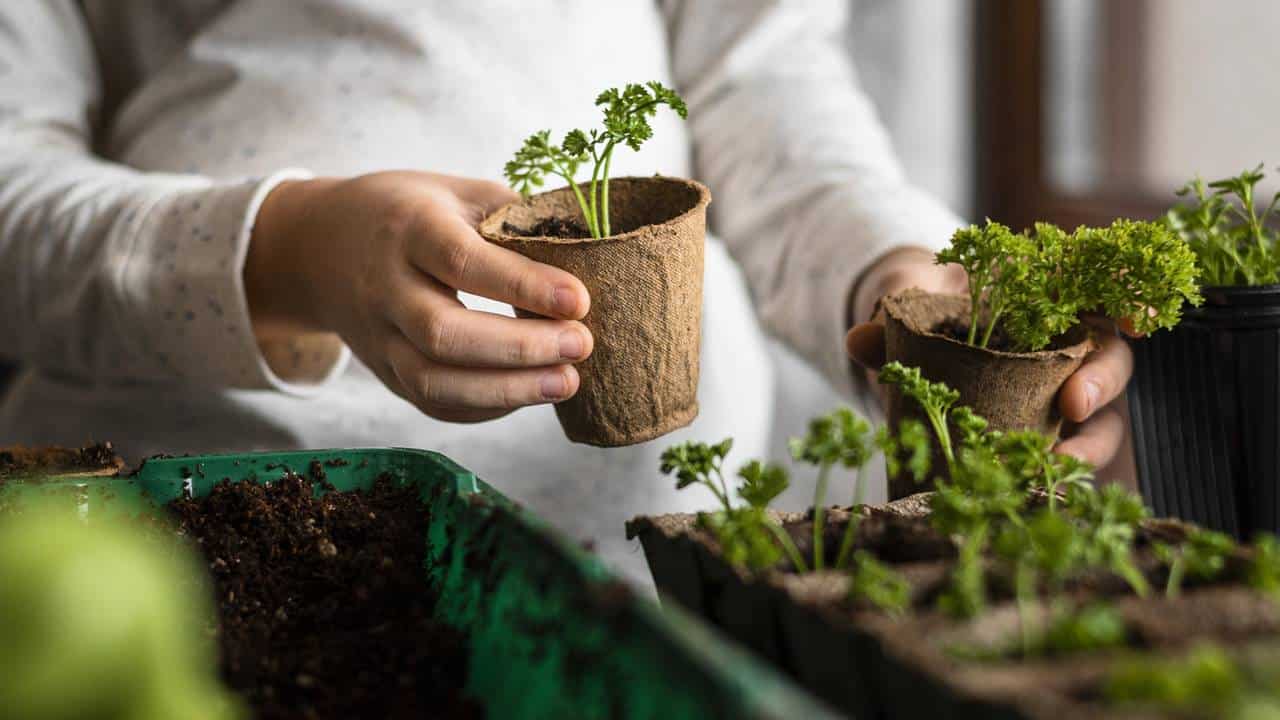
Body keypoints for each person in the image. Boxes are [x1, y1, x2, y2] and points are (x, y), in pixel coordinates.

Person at [0, 1, 1131, 585]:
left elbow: (762, 88)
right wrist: (287, 251)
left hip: (662, 559)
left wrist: (902, 278)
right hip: (186, 530)